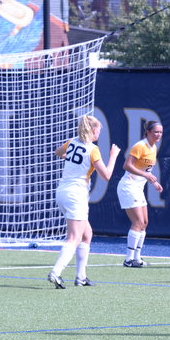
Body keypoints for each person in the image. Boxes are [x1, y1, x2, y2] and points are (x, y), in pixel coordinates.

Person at [48, 115, 120, 289]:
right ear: (93, 130)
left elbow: (58, 152)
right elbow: (106, 175)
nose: (99, 133)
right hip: (76, 195)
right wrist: (113, 156)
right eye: (99, 130)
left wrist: (73, 161)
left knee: (87, 234)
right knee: (74, 238)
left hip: (63, 192)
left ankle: (81, 277)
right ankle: (56, 272)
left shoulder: (71, 142)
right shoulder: (92, 149)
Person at [117, 120, 163, 267]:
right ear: (148, 132)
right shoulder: (140, 146)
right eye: (156, 132)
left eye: (161, 132)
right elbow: (127, 165)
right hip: (128, 186)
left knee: (144, 223)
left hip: (138, 188)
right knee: (138, 222)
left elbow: (146, 170)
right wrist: (146, 175)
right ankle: (128, 259)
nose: (158, 134)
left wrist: (154, 182)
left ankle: (137, 259)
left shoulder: (153, 147)